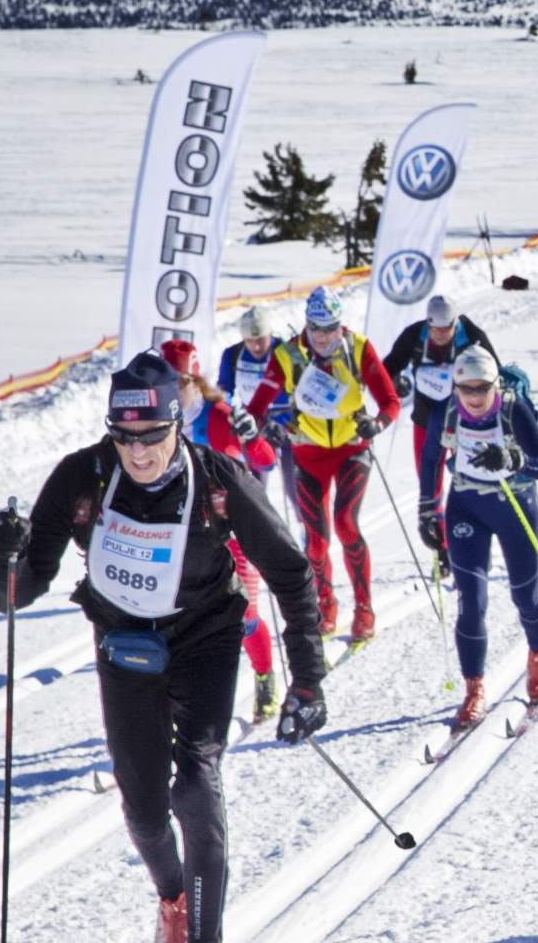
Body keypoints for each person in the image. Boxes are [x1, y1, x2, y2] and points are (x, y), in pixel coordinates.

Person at [0, 352, 328, 943]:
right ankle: (172, 896)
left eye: (152, 438)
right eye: (124, 438)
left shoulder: (218, 479)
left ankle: (203, 934)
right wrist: (1, 558)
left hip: (206, 637)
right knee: (142, 809)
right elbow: (18, 592)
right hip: (124, 645)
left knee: (195, 780)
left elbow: (292, 573)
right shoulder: (82, 477)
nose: (138, 454)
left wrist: (307, 681)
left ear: (175, 423)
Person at [246, 286, 401, 640]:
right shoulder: (288, 354)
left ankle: (364, 608)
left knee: (346, 524)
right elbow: (257, 407)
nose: (324, 337)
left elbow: (390, 400)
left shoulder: (358, 347)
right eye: (317, 328)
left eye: (330, 328)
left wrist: (376, 424)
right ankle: (326, 605)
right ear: (307, 326)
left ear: (340, 325)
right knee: (315, 539)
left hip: (350, 449)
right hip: (308, 453)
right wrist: (269, 424)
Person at [417, 345, 538, 728]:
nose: (475, 398)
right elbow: (430, 459)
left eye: (483, 388)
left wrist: (515, 460)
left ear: (496, 384)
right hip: (467, 508)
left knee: (525, 595)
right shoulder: (447, 412)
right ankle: (474, 689)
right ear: (456, 387)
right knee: (471, 602)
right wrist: (428, 510)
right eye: (467, 389)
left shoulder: (512, 409)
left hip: (515, 506)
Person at [162, 339, 283, 722]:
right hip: (182, 537)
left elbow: (267, 460)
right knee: (180, 623)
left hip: (233, 534)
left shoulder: (219, 414)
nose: (177, 389)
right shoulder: (155, 420)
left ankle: (264, 675)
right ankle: (177, 708)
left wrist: (251, 436)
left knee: (244, 617)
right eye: (169, 380)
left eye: (183, 380)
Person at [382, 294, 500, 486]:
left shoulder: (472, 336)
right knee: (428, 482)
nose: (440, 334)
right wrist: (395, 382)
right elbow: (385, 371)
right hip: (425, 418)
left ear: (455, 322)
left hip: (466, 419)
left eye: (446, 328)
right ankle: (434, 515)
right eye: (435, 329)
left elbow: (496, 374)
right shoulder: (414, 335)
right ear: (428, 324)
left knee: (470, 478)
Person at [216, 306, 296, 505]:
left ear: (270, 334)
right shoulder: (233, 355)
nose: (256, 347)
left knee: (295, 489)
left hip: (288, 427)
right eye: (250, 341)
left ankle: (307, 530)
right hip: (255, 427)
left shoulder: (286, 352)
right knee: (253, 489)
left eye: (261, 339)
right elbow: (224, 393)